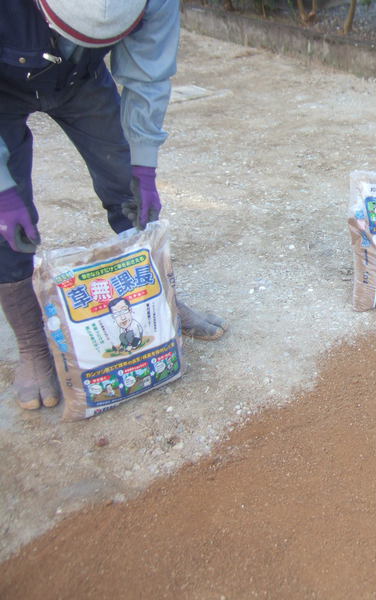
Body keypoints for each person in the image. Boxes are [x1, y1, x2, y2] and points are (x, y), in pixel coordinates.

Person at [0, 0, 227, 411]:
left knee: (126, 185)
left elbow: (147, 77)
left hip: (80, 79)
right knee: (6, 227)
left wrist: (143, 165)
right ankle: (33, 348)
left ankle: (159, 305)